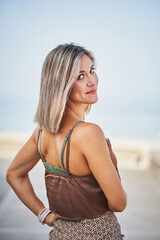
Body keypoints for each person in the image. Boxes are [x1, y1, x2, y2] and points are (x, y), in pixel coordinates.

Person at [6, 43, 127, 240]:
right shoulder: (89, 133)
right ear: (61, 84)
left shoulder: (41, 134)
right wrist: (112, 160)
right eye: (80, 76)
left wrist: (45, 215)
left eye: (92, 71)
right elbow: (119, 203)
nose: (92, 81)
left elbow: (14, 174)